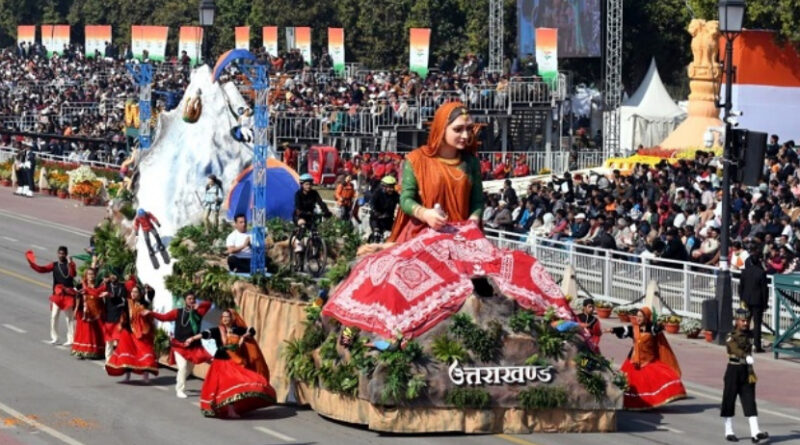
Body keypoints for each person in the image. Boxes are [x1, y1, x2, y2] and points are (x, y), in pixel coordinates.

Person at [389, 102, 484, 243]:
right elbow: (405, 199)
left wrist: (473, 220)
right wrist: (425, 214)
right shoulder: (417, 160)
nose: (466, 135)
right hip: (422, 236)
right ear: (441, 129)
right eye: (458, 130)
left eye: (469, 129)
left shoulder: (471, 162)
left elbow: (477, 202)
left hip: (461, 238)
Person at [195, 309, 276, 418]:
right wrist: (191, 339)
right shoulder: (218, 330)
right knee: (219, 387)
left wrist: (247, 334)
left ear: (232, 318)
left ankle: (231, 409)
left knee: (236, 383)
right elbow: (205, 334)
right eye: (223, 316)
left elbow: (251, 330)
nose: (225, 318)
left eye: (227, 316)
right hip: (219, 363)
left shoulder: (237, 330)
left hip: (233, 363)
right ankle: (221, 409)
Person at [607, 307, 687, 410]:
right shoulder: (634, 328)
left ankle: (649, 402)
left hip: (649, 361)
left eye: (641, 316)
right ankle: (627, 403)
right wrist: (612, 330)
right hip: (633, 361)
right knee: (627, 384)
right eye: (637, 316)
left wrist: (661, 325)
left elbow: (657, 329)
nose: (638, 319)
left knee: (654, 382)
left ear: (646, 317)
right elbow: (624, 330)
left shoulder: (651, 329)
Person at [147, 292, 213, 398]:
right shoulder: (178, 312)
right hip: (179, 345)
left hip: (193, 346)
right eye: (189, 298)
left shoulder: (199, 311)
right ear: (184, 301)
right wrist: (151, 313)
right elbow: (164, 317)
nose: (191, 300)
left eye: (193, 299)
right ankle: (180, 389)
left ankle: (179, 380)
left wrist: (199, 306)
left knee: (189, 369)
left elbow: (209, 304)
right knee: (182, 367)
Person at [722, 308, 769, 443]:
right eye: (743, 321)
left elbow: (756, 332)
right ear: (736, 321)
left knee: (749, 400)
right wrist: (746, 355)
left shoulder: (749, 334)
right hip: (733, 369)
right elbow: (734, 348)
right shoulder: (731, 335)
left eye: (747, 321)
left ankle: (755, 432)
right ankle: (728, 430)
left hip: (747, 371)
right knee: (729, 400)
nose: (745, 323)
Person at [106, 282, 158, 382]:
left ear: (140, 294)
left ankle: (145, 375)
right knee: (127, 354)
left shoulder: (144, 303)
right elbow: (117, 300)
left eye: (136, 292)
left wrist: (150, 289)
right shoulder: (127, 302)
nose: (133, 294)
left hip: (142, 333)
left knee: (145, 352)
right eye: (132, 292)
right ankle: (127, 375)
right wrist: (111, 295)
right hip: (128, 332)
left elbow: (151, 294)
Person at [25, 247, 77, 345]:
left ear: (66, 254)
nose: (61, 255)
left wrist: (70, 263)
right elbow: (42, 269)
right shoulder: (54, 265)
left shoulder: (70, 264)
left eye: (63, 254)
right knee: (53, 316)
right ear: (57, 254)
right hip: (57, 295)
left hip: (68, 295)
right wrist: (32, 264)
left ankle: (71, 339)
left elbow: (73, 274)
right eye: (60, 253)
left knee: (69, 318)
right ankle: (55, 337)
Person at [71, 268, 105, 359]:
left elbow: (101, 296)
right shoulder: (81, 285)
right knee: (85, 332)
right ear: (86, 275)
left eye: (92, 274)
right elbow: (77, 296)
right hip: (85, 312)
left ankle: (95, 352)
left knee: (97, 332)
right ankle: (82, 351)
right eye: (89, 274)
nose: (91, 276)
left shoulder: (99, 285)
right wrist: (76, 309)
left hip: (97, 311)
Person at [738, 252, 768, 353]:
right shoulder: (761, 273)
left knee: (744, 322)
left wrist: (742, 299)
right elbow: (764, 290)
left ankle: (742, 343)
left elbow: (740, 287)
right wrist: (765, 303)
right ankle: (757, 346)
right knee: (757, 324)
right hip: (757, 301)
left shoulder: (745, 272)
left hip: (746, 300)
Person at [100, 275, 130, 360]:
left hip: (119, 317)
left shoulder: (122, 287)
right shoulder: (106, 286)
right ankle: (108, 361)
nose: (113, 277)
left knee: (118, 341)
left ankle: (117, 360)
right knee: (109, 341)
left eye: (115, 275)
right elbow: (96, 291)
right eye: (111, 275)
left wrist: (111, 295)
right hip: (109, 316)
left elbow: (124, 301)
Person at [369, 175, 400, 241]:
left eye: (392, 187)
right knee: (376, 235)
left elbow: (402, 202)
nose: (391, 189)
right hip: (377, 219)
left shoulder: (395, 195)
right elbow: (372, 204)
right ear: (384, 187)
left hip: (388, 220)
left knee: (394, 237)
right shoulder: (377, 193)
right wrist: (377, 213)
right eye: (389, 187)